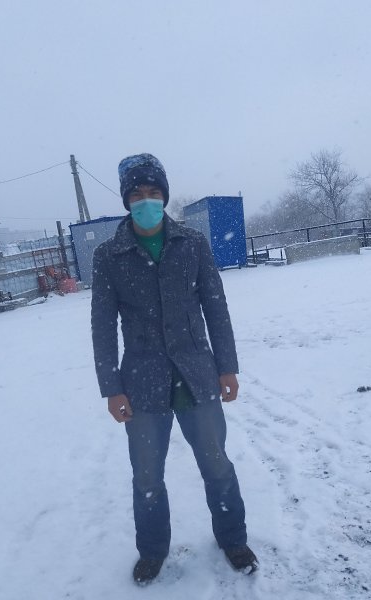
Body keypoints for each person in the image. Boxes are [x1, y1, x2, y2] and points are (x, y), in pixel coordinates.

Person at [91, 153, 258, 585]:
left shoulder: (192, 244)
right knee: (147, 475)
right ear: (126, 200)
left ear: (164, 196)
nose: (146, 200)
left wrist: (227, 367)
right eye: (137, 194)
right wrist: (112, 388)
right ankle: (152, 550)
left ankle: (233, 539)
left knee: (217, 465)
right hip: (141, 383)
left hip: (197, 375)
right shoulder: (109, 255)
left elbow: (216, 309)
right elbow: (102, 326)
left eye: (153, 192)